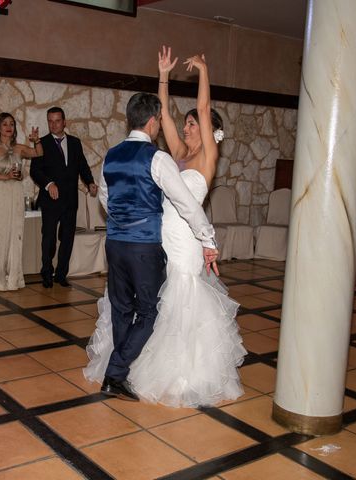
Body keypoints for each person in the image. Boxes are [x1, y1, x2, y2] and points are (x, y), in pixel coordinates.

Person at [84, 48, 246, 407]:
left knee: (179, 297)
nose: (186, 126)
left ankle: (183, 371)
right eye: (184, 123)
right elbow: (162, 115)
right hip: (157, 234)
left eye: (193, 124)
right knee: (153, 299)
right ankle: (134, 365)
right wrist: (163, 76)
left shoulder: (207, 157)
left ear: (210, 132)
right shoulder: (174, 152)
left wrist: (204, 71)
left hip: (186, 237)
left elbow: (203, 109)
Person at [30, 107, 97, 288]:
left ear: (64, 122)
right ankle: (46, 273)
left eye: (57, 121)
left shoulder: (75, 143)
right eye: (50, 121)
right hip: (50, 200)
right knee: (49, 239)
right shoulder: (41, 143)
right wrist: (49, 184)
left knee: (67, 238)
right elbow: (34, 171)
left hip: (70, 200)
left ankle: (61, 274)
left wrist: (90, 182)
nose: (53, 124)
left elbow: (82, 165)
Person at [0, 113, 43, 291]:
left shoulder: (19, 148)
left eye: (12, 124)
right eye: (5, 124)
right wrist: (4, 176)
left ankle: (12, 277)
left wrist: (36, 140)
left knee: (15, 233)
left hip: (15, 191)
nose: (8, 127)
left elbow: (38, 153)